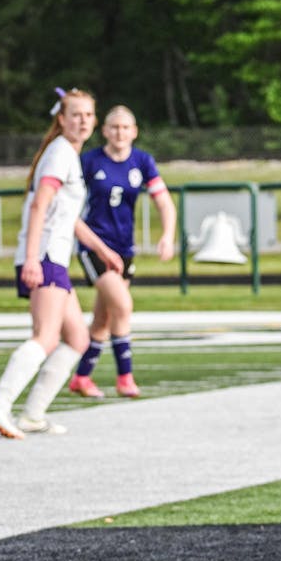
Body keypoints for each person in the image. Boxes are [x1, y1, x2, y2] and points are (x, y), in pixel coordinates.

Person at [0, 88, 123, 439]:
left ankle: (32, 415)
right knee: (45, 336)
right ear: (62, 119)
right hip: (45, 256)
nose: (83, 121)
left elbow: (68, 216)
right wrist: (32, 259)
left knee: (77, 338)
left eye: (88, 115)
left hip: (53, 256)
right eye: (76, 115)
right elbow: (39, 205)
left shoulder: (67, 154)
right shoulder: (60, 153)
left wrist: (101, 249)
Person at [68, 105, 176, 399]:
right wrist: (91, 242)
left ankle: (81, 377)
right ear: (104, 130)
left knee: (104, 318)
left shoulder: (142, 161)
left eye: (125, 127)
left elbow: (164, 202)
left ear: (134, 131)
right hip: (95, 246)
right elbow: (69, 205)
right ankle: (125, 377)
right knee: (123, 306)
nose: (120, 133)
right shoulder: (90, 161)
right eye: (114, 127)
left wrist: (167, 235)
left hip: (124, 248)